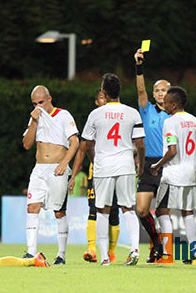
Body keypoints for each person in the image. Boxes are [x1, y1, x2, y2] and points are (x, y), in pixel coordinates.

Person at [81, 73, 145, 266]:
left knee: (102, 210)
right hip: (126, 164)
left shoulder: (96, 114)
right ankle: (134, 249)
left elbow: (88, 145)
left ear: (104, 92)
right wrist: (140, 165)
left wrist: (95, 161)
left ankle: (105, 257)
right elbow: (140, 144)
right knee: (127, 208)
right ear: (119, 91)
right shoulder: (132, 112)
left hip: (103, 166)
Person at [22, 85, 79, 265]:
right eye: (34, 104)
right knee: (32, 207)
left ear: (49, 99)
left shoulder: (63, 115)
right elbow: (26, 144)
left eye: (40, 102)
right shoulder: (35, 119)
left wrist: (64, 163)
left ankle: (61, 255)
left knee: (59, 211)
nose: (37, 106)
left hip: (57, 169)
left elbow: (75, 141)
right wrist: (33, 122)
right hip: (39, 169)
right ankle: (31, 254)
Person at [150, 86, 196, 265]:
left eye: (166, 104)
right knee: (187, 212)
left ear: (173, 105)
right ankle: (195, 252)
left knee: (161, 210)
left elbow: (172, 150)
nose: (164, 106)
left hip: (173, 174)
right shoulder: (195, 120)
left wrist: (157, 166)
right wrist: (190, 161)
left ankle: (166, 254)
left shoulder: (170, 122)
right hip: (191, 173)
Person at [70, 89, 121, 263]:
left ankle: (111, 252)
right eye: (101, 97)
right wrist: (73, 176)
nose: (104, 100)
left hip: (116, 172)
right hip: (97, 174)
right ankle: (91, 249)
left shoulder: (120, 118)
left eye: (106, 96)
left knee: (113, 212)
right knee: (94, 210)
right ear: (96, 102)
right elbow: (82, 150)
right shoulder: (94, 120)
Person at [134, 49, 171, 263]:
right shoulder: (147, 110)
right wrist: (139, 67)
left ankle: (164, 253)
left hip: (168, 165)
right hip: (149, 165)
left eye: (163, 90)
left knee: (164, 211)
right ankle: (156, 241)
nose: (159, 93)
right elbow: (140, 90)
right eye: (156, 90)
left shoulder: (175, 115)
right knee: (141, 210)